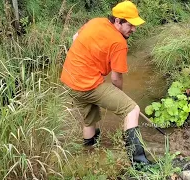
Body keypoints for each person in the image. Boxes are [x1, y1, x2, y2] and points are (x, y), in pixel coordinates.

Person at [60, 1, 150, 165]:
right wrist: (119, 96)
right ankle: (140, 164)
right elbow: (116, 79)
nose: (134, 29)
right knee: (131, 110)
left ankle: (89, 158)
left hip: (69, 80)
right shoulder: (119, 43)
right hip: (88, 85)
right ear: (118, 21)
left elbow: (75, 38)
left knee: (90, 120)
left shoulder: (96, 22)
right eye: (130, 25)